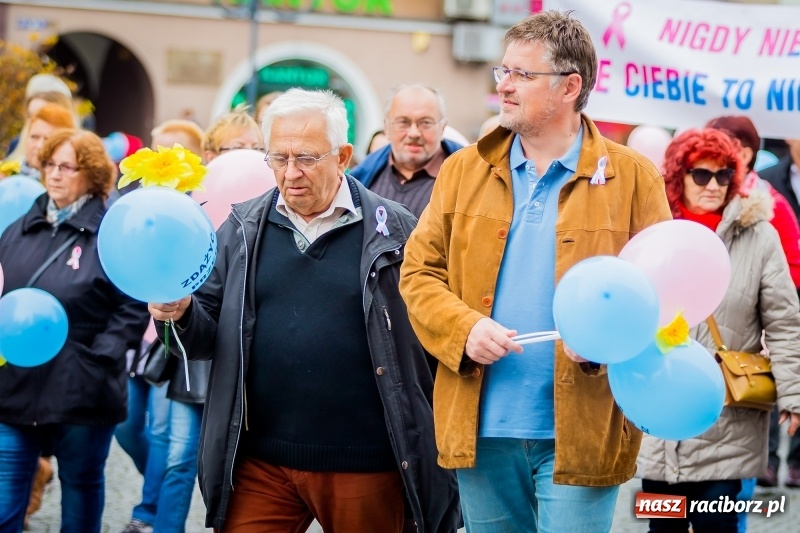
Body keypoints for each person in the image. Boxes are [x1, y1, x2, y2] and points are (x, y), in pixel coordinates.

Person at [399, 11, 671, 532]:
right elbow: (418, 272)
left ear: (571, 86)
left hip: (582, 428)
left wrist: (607, 340)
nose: (504, 85)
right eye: (503, 72)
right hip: (479, 425)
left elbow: (659, 292)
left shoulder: (632, 176)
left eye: (523, 75)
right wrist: (464, 328)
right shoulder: (463, 169)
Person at [147, 88, 460, 532]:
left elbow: (429, 336)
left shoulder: (395, 230)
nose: (291, 173)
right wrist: (179, 312)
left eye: (307, 158)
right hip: (260, 465)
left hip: (366, 462)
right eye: (279, 158)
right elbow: (203, 337)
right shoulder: (242, 228)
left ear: (344, 156)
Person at [637, 128, 800, 532]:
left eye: (724, 174)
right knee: (663, 528)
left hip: (727, 419)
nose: (713, 185)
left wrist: (794, 395)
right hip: (661, 415)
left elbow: (784, 320)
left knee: (719, 526)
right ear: (679, 175)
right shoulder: (652, 232)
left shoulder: (760, 235)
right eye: (701, 174)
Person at [0, 129, 150, 532]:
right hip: (15, 387)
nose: (55, 174)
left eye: (67, 166)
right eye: (49, 164)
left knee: (81, 491)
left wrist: (97, 356)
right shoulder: (19, 228)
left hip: (82, 388)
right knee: (4, 496)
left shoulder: (110, 233)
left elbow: (133, 304)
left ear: (93, 174)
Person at [118, 118, 210, 533]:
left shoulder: (201, 207)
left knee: (170, 443)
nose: (161, 160)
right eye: (156, 151)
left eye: (173, 153)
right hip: (138, 338)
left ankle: (152, 513)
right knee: (129, 428)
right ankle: (151, 503)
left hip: (176, 339)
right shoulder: (138, 203)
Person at [706, 117, 800, 497]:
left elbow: (788, 267)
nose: (709, 182)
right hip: (698, 345)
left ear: (744, 152)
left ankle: (778, 461)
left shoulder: (766, 206)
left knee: (760, 390)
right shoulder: (675, 205)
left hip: (759, 325)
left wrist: (762, 298)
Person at [351, 83, 463, 218]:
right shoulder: (362, 178)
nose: (414, 133)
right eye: (403, 122)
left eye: (425, 123)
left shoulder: (466, 179)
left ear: (442, 127)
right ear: (386, 127)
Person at [760, 137, 800, 490]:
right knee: (771, 372)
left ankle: (798, 462)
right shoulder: (770, 178)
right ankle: (768, 461)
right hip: (782, 286)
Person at [1, 104, 76, 181]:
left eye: (48, 139)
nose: (39, 145)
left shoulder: (69, 185)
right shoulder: (7, 173)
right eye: (34, 137)